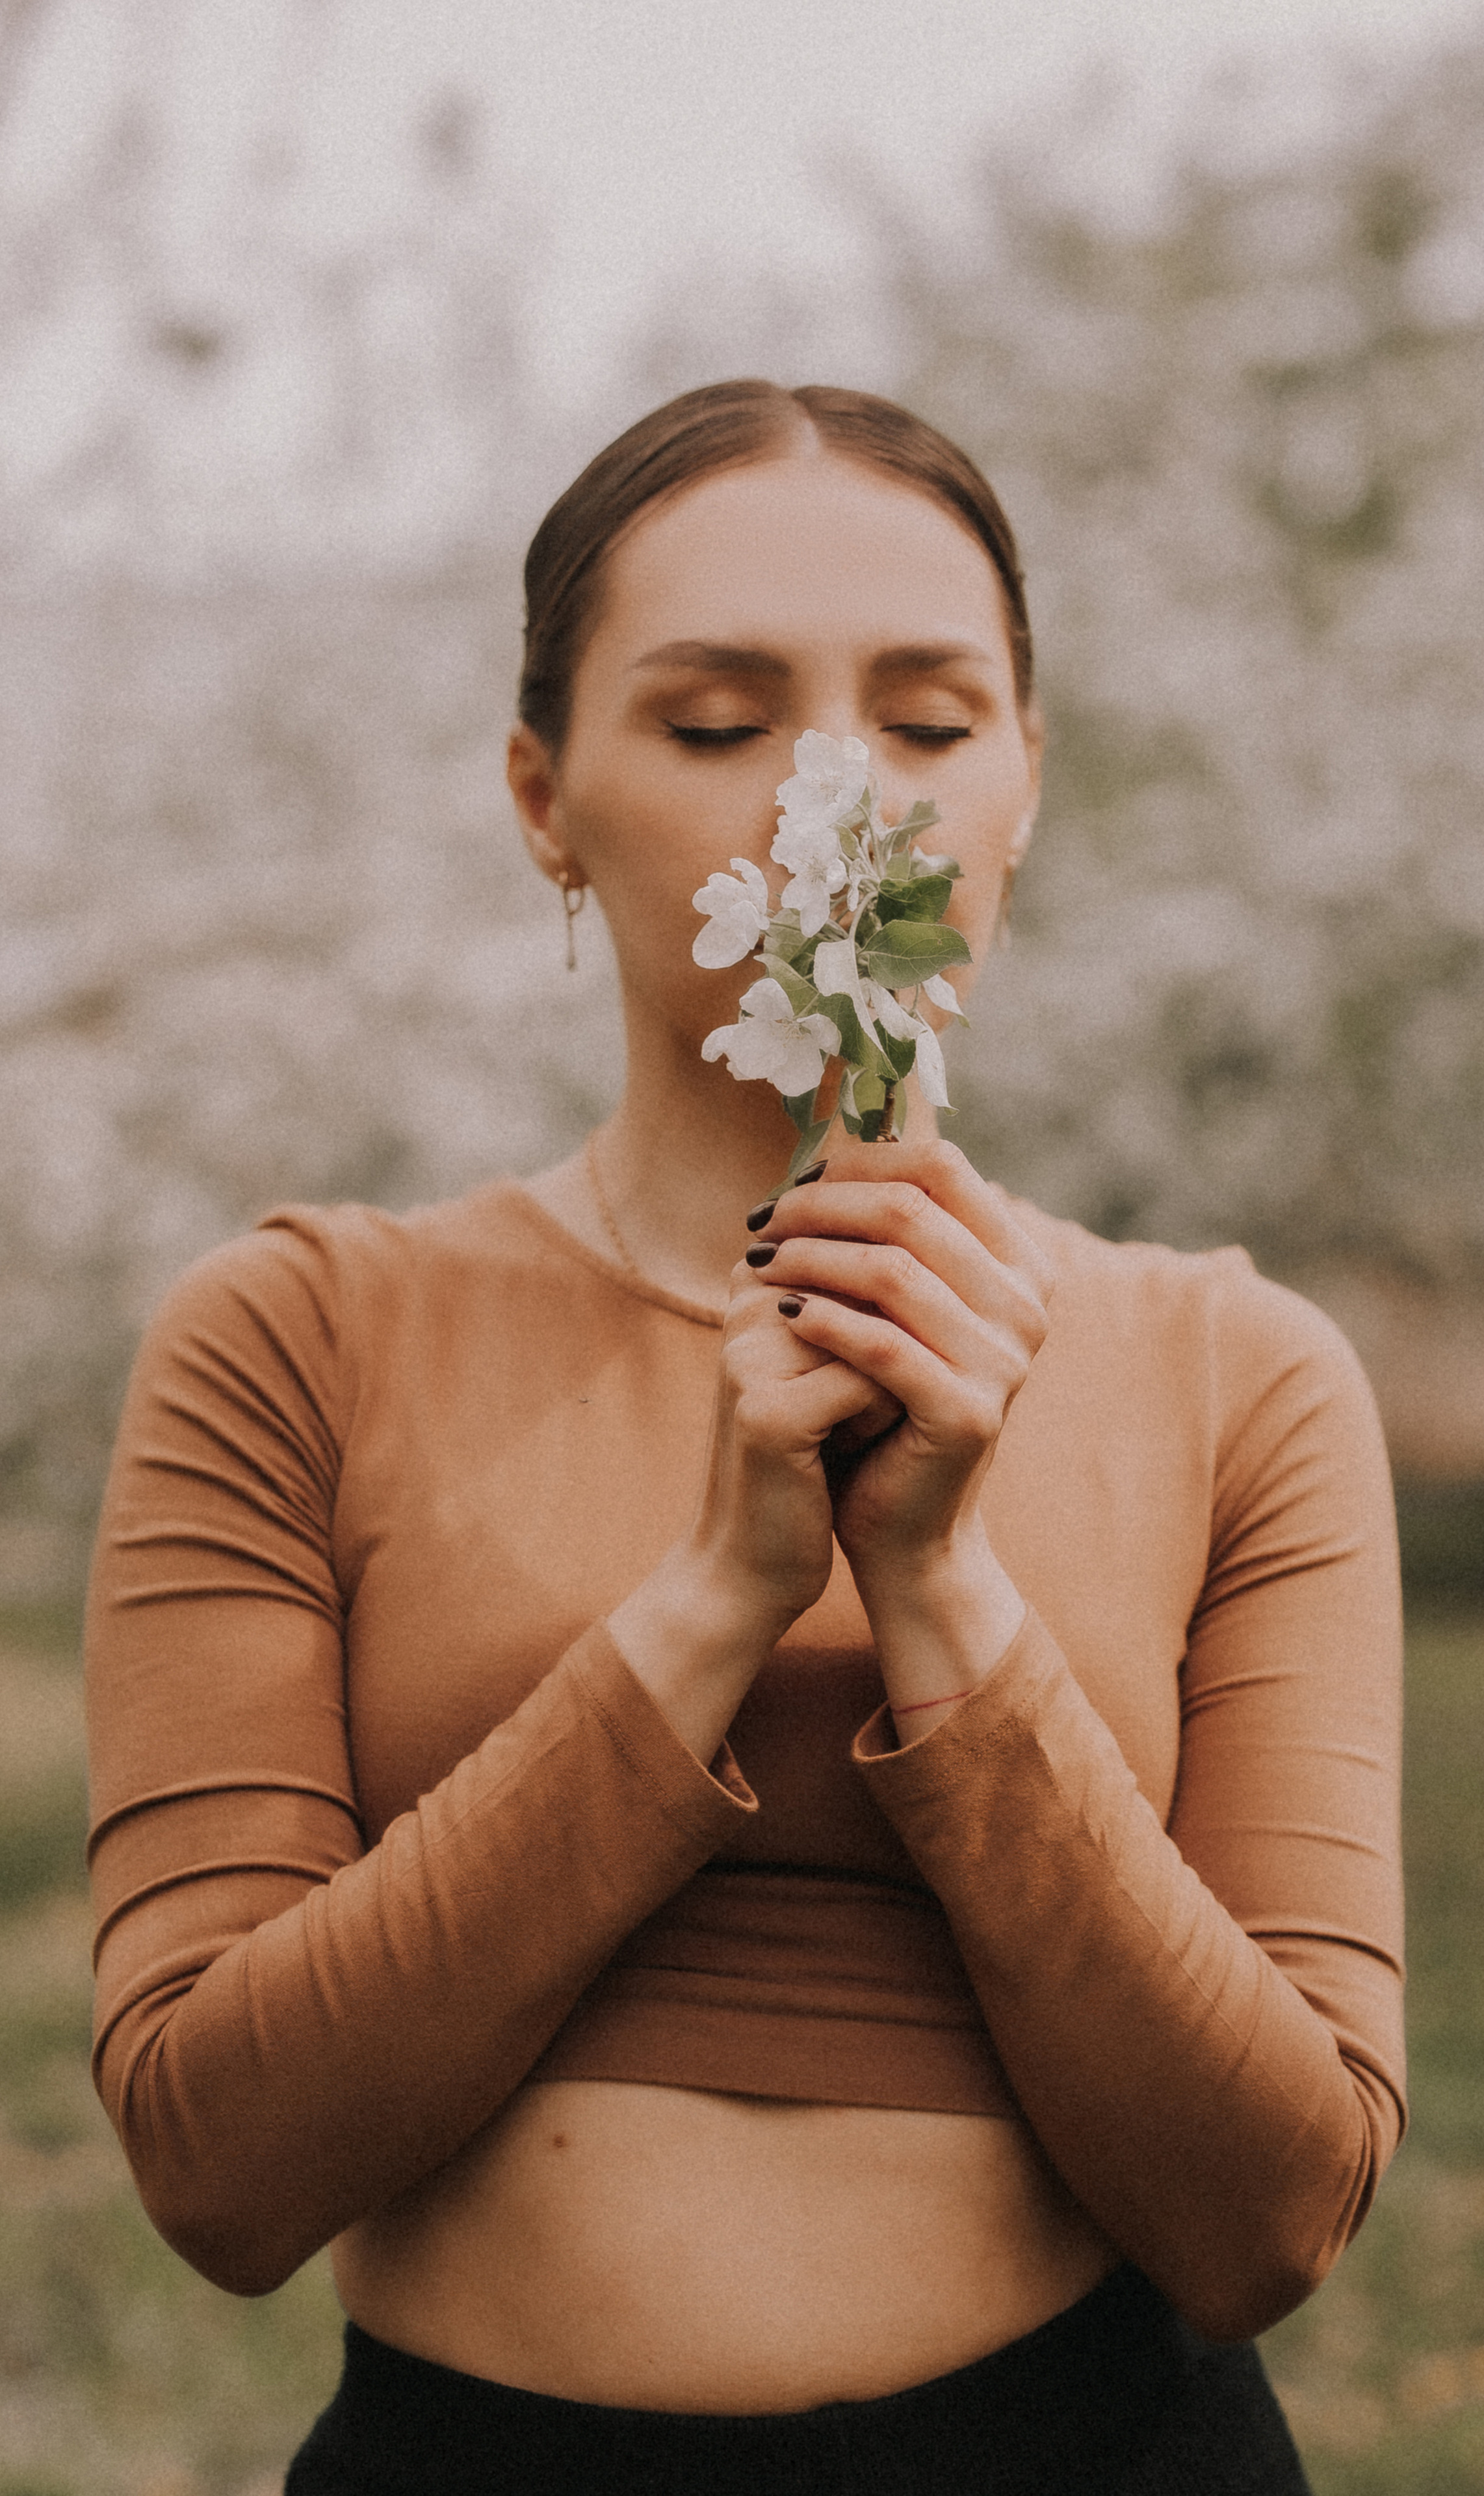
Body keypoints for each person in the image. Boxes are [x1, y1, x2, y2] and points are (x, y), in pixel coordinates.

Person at [83, 381, 1406, 2495]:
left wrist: (947, 1596)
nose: (833, 809)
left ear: (1028, 783)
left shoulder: (1237, 1373)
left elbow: (1271, 2219)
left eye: (931, 721)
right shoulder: (297, 1339)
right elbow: (219, 2169)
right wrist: (713, 1601)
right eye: (717, 726)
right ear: (543, 794)